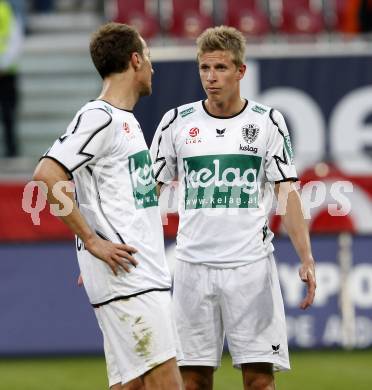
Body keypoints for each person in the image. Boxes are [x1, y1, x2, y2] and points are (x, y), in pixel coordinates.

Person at [150, 25, 316, 390]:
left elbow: (287, 193)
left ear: (241, 71)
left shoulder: (267, 121)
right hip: (192, 267)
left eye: (221, 68)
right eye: (205, 68)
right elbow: (147, 196)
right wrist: (110, 242)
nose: (211, 78)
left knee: (258, 380)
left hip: (250, 268)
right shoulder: (176, 122)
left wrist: (306, 257)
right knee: (192, 381)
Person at [33, 22, 183, 390]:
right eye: (148, 57)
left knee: (130, 384)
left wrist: (92, 248)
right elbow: (47, 174)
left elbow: (114, 199)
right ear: (135, 60)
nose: (152, 66)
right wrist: (93, 241)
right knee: (166, 382)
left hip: (131, 273)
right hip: (132, 277)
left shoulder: (123, 122)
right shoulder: (100, 116)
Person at [0, 0, 23, 157]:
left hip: (7, 71)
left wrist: (3, 64)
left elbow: (15, 38)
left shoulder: (6, 9)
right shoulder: (6, 8)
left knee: (8, 113)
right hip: (7, 69)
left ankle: (11, 150)